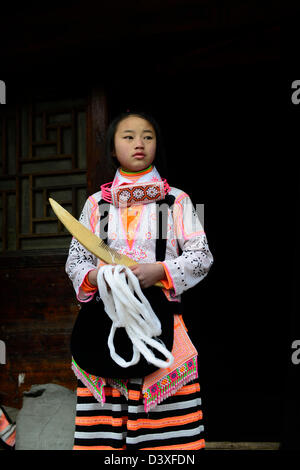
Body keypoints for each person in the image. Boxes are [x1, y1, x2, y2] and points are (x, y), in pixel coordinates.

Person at [65, 110, 214, 451]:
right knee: (104, 437)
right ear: (113, 148)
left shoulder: (178, 200)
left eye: (147, 136)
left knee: (167, 441)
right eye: (128, 136)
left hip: (161, 326)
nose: (139, 144)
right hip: (106, 324)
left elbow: (202, 255)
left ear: (156, 145)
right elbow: (75, 261)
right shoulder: (94, 205)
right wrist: (99, 275)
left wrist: (159, 270)